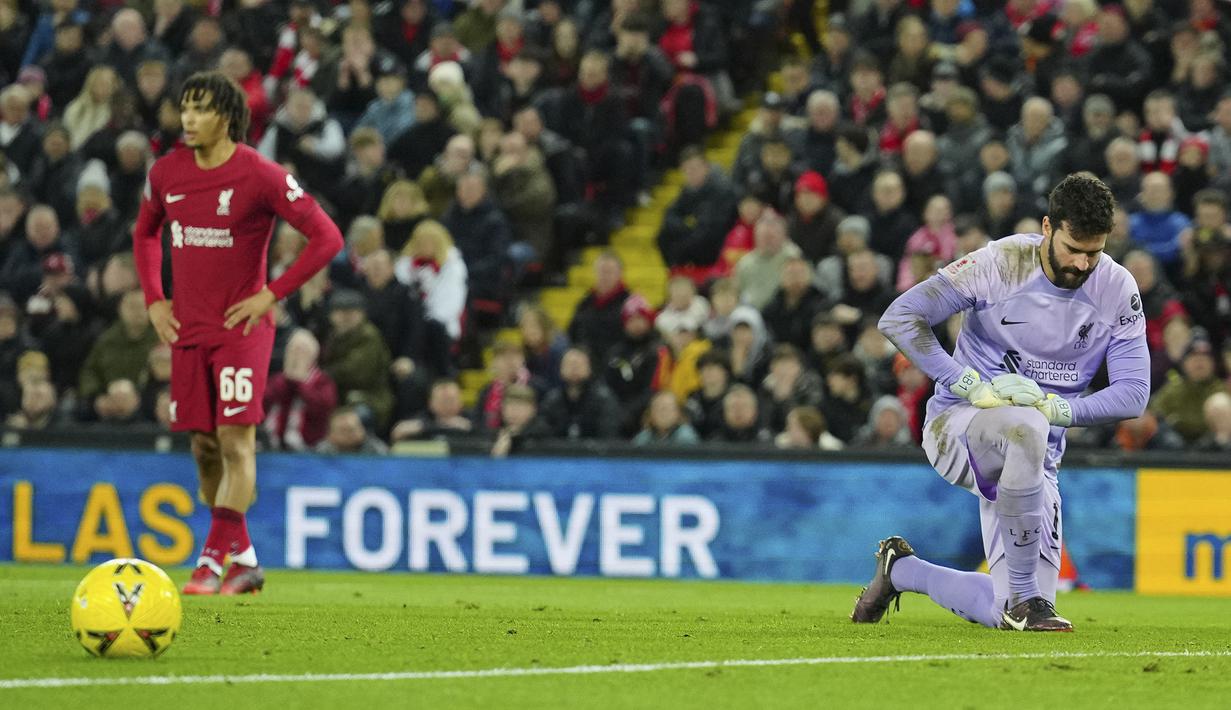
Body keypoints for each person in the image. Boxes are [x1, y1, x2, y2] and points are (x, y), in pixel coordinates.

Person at [857, 174, 1148, 631]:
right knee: (1023, 426)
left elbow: (1134, 393)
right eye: (1073, 247)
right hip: (960, 423)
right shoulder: (1000, 263)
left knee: (1002, 606)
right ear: (1048, 227)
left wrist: (1062, 410)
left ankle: (900, 571)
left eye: (1094, 252)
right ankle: (1025, 601)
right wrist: (968, 383)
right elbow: (901, 317)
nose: (1082, 263)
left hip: (1038, 456)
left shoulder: (1116, 288)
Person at [132, 72, 344, 596]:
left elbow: (327, 237)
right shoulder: (165, 172)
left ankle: (209, 561)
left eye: (200, 109)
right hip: (187, 329)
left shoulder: (260, 174)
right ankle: (244, 559)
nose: (188, 119)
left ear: (226, 117)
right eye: (185, 107)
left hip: (241, 329)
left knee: (236, 440)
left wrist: (273, 293)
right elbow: (144, 234)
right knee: (204, 449)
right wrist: (155, 299)